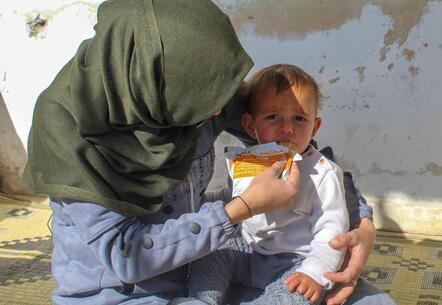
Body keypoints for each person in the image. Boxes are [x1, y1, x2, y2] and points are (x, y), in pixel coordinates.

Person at [22, 0, 394, 304]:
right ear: (151, 86)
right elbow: (125, 256)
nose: (220, 113)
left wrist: (361, 224)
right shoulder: (70, 135)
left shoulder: (197, 86)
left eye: (221, 97)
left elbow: (304, 155)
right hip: (124, 291)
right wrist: (240, 209)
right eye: (203, 105)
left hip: (210, 262)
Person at [179, 64, 347, 305]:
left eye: (299, 118)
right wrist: (203, 208)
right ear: (250, 126)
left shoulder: (323, 172)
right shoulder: (248, 161)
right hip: (245, 250)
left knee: (299, 294)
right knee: (211, 252)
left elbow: (332, 228)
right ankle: (200, 299)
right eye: (273, 117)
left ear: (314, 127)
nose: (288, 127)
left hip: (292, 261)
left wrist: (313, 271)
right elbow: (231, 197)